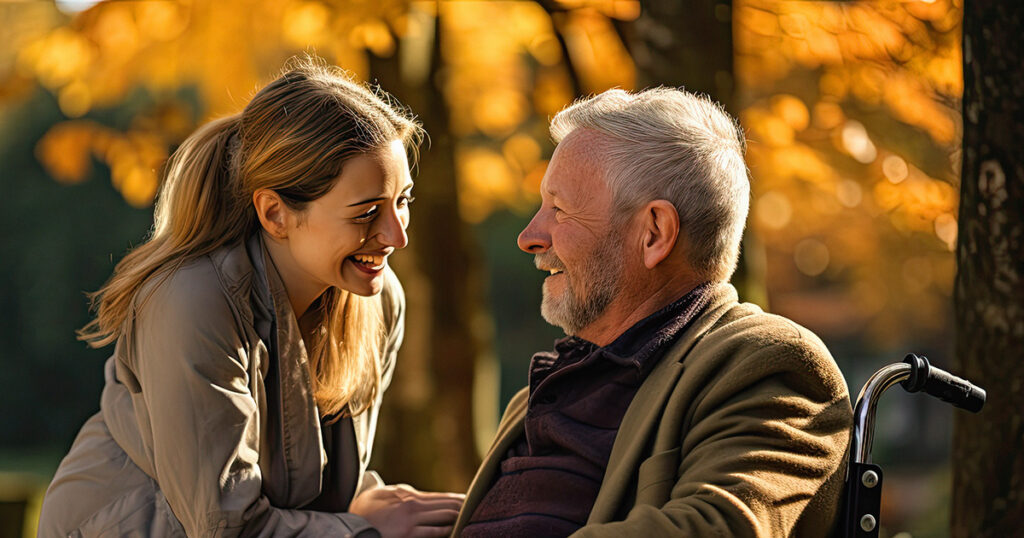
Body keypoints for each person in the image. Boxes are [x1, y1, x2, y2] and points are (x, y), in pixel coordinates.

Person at [38, 59, 463, 538]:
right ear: (275, 213)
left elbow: (325, 484)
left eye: (402, 201)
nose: (395, 236)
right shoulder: (192, 303)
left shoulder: (379, 299)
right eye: (366, 212)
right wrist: (363, 528)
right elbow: (227, 527)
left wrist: (371, 504)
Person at [454, 88, 853, 537]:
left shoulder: (768, 363)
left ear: (654, 234)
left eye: (559, 209)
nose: (529, 236)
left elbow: (720, 528)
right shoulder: (538, 394)